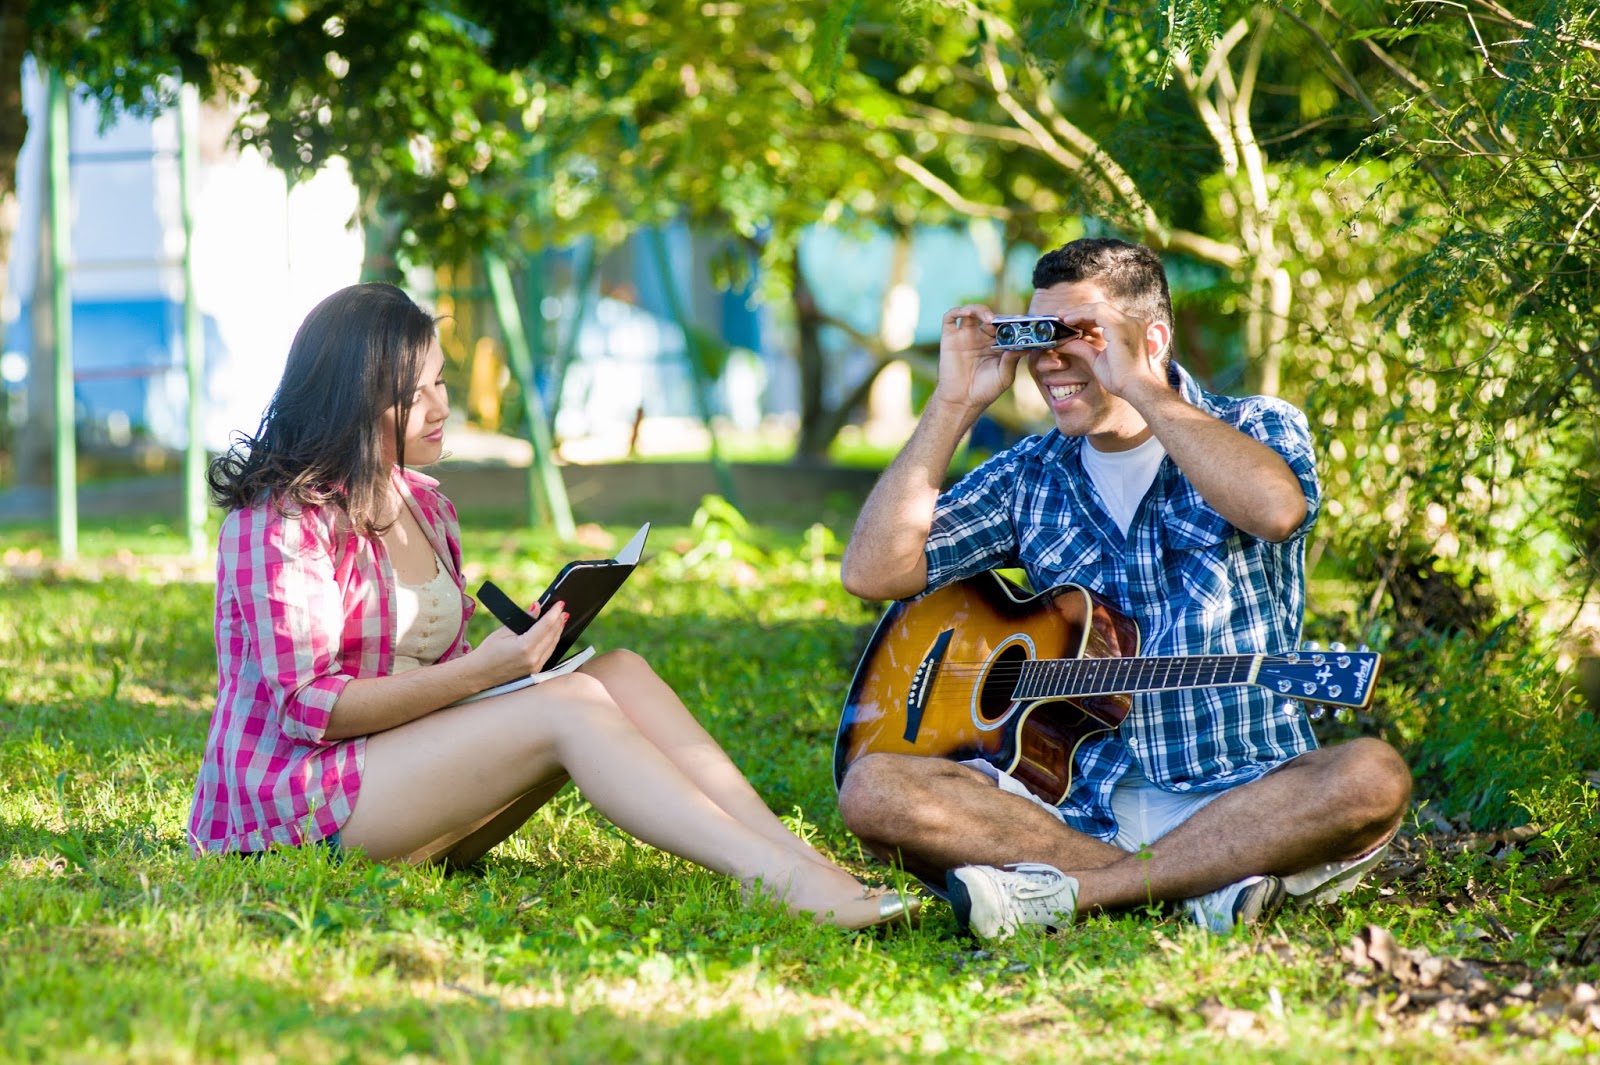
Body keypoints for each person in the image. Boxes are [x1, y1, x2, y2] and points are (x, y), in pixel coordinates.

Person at [189, 281, 915, 931]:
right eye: (421, 392)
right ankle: (776, 882)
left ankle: (807, 864)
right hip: (294, 813)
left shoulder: (425, 505)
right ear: (360, 397)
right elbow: (311, 708)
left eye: (443, 380)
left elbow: (426, 681)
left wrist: (511, 656)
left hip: (392, 790)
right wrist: (486, 675)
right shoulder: (281, 522)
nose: (445, 406)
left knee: (619, 673)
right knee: (568, 707)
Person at [835, 238, 1411, 940]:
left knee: (1372, 775)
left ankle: (1073, 892)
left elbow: (1277, 509)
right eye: (1038, 337)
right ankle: (1196, 887)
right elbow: (873, 571)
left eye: (1078, 336)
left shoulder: (1255, 423)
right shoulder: (1029, 473)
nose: (1049, 361)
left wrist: (1142, 384)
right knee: (873, 788)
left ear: (1153, 338)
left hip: (1243, 793)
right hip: (1063, 804)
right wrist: (952, 404)